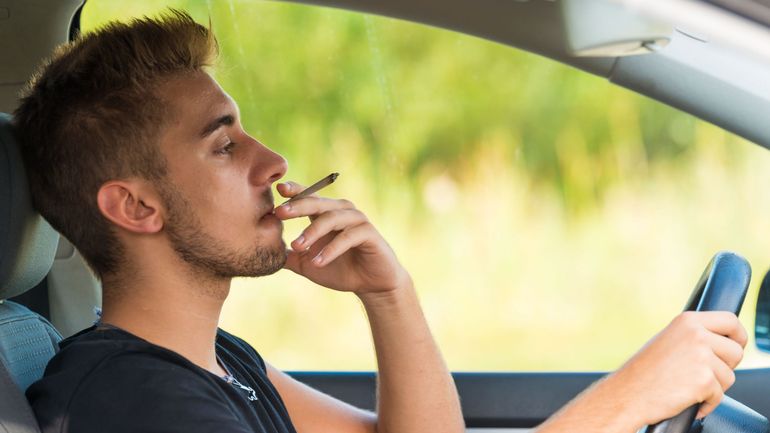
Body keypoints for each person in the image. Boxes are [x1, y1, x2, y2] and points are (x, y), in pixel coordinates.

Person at [15, 10, 745, 433]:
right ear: (136, 207)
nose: (274, 162)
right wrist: (627, 400)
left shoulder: (220, 361)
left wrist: (389, 294)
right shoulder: (134, 402)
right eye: (225, 145)